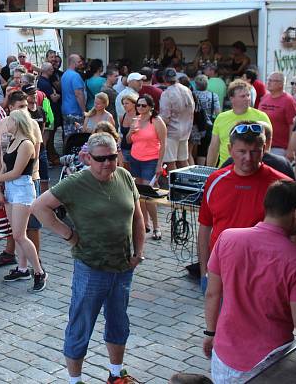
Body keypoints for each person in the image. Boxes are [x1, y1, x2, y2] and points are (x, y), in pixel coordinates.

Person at [32, 132, 146, 384]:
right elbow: (39, 207)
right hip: (91, 268)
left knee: (119, 322)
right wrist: (69, 235)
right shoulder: (75, 183)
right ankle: (76, 380)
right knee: (81, 325)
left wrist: (139, 252)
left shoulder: (125, 177)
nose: (107, 163)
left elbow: (137, 217)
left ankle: (116, 374)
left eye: (112, 157)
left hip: (123, 266)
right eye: (101, 158)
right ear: (88, 158)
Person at [203, 180, 296, 383]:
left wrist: (210, 332)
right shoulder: (295, 260)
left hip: (224, 356)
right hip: (272, 363)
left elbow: (212, 293)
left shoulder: (227, 238)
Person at [199, 122, 291, 288]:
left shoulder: (282, 185)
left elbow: (293, 235)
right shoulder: (215, 181)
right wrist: (203, 270)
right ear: (230, 149)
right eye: (242, 151)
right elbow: (205, 227)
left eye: (255, 151)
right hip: (220, 271)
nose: (248, 158)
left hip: (263, 277)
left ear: (265, 148)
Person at [0, 110, 47, 291]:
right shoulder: (12, 140)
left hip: (22, 189)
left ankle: (39, 271)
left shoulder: (26, 144)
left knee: (19, 234)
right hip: (10, 187)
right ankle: (23, 268)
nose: (5, 124)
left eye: (9, 121)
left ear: (16, 123)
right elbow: (4, 165)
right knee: (16, 231)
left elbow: (16, 171)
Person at [127, 94, 167, 239]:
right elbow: (128, 140)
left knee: (148, 194)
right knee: (139, 193)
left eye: (144, 105)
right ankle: (144, 223)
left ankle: (156, 226)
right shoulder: (135, 120)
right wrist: (131, 131)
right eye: (138, 105)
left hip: (151, 160)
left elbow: (163, 143)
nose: (140, 108)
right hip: (135, 158)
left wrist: (159, 165)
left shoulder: (156, 121)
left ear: (150, 106)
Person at [206, 80, 271, 167]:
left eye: (248, 95)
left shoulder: (261, 116)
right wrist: (209, 170)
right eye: (243, 96)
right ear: (232, 99)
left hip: (251, 168)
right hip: (225, 168)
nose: (247, 98)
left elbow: (267, 147)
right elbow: (214, 147)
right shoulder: (221, 117)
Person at [159, 68, 195, 171]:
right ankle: (187, 184)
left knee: (171, 162)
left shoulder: (166, 94)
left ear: (164, 78)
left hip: (172, 132)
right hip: (186, 130)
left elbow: (165, 117)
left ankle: (173, 185)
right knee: (183, 160)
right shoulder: (187, 90)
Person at [258, 72, 296, 157]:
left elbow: (293, 126)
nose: (269, 82)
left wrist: (290, 149)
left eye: (273, 81)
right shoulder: (265, 97)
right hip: (262, 145)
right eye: (269, 80)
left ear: (281, 84)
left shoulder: (289, 101)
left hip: (279, 148)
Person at [193, 75, 220, 166]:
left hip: (195, 125)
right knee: (203, 150)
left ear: (196, 84)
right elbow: (218, 113)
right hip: (208, 125)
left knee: (191, 151)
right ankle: (202, 171)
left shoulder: (192, 94)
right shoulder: (213, 95)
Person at [61, 54, 87, 135]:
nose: (81, 63)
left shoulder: (64, 74)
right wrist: (84, 111)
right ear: (74, 63)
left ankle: (66, 148)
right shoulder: (75, 76)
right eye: (79, 62)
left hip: (66, 110)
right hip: (75, 111)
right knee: (77, 136)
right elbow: (79, 94)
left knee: (68, 135)